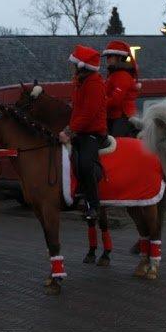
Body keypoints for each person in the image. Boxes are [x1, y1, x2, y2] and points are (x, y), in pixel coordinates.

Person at [59, 45, 107, 221]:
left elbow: (88, 114)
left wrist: (69, 131)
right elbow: (77, 110)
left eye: (74, 64)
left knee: (86, 164)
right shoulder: (80, 83)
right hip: (80, 131)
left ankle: (93, 204)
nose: (72, 68)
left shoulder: (94, 83)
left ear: (81, 66)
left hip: (93, 132)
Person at [102, 40, 141, 137]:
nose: (108, 59)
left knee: (117, 142)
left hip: (122, 117)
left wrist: (99, 104)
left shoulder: (122, 75)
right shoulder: (113, 75)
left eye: (110, 56)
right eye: (107, 56)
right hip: (113, 116)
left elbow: (116, 100)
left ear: (119, 58)